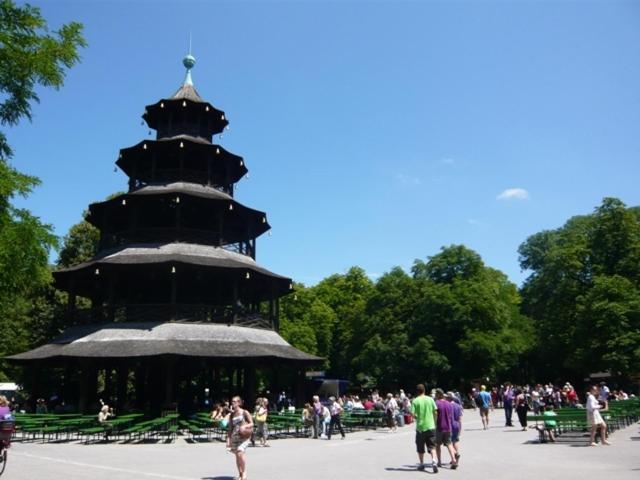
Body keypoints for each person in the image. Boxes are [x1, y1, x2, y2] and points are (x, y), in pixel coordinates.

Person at [411, 384, 439, 473]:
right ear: (424, 390)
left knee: (420, 447)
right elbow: (435, 412)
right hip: (431, 426)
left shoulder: (415, 401)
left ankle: (422, 464)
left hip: (420, 427)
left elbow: (412, 414)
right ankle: (434, 461)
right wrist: (434, 421)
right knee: (432, 446)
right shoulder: (430, 399)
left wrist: (417, 417)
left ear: (417, 391)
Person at [226, 396, 254, 480]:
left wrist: (244, 426)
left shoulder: (245, 412)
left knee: (240, 453)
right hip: (235, 437)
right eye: (232, 401)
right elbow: (230, 429)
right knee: (237, 456)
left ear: (239, 403)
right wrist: (228, 440)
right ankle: (240, 473)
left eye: (235, 401)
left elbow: (252, 423)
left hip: (244, 436)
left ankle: (244, 472)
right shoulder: (232, 415)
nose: (233, 403)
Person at [434, 389, 458, 469]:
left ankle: (439, 462)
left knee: (438, 445)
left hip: (439, 427)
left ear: (438, 395)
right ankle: (454, 460)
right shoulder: (449, 404)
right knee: (449, 443)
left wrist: (434, 424)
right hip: (448, 427)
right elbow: (450, 415)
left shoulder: (436, 403)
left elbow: (436, 415)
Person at [447, 392, 462, 463]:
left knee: (448, 443)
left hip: (450, 426)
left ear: (448, 398)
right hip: (457, 425)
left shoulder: (448, 406)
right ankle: (455, 456)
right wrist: (460, 428)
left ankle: (455, 454)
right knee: (455, 441)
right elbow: (460, 419)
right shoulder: (458, 406)